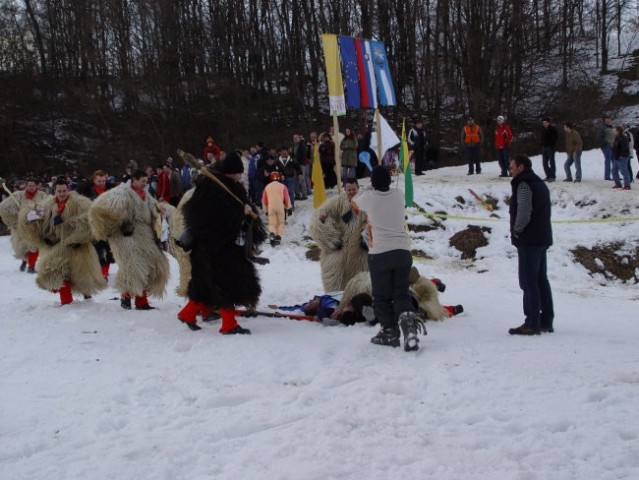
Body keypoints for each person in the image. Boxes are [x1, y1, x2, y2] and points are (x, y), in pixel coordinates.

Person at [178, 152, 267, 334]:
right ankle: (229, 324)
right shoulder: (210, 188)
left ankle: (187, 313)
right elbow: (211, 218)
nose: (240, 175)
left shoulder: (233, 187)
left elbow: (242, 208)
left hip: (226, 245)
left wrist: (249, 215)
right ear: (230, 171)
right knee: (226, 283)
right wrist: (240, 213)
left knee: (208, 283)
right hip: (215, 246)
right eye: (238, 172)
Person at [351, 166, 425, 351]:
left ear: (373, 182)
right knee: (401, 293)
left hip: (380, 254)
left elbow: (354, 202)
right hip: (402, 252)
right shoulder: (398, 195)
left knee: (382, 296)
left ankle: (389, 331)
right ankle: (410, 329)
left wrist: (368, 188)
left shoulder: (368, 198)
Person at [89, 169, 170, 310]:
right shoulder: (121, 193)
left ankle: (139, 300)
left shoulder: (146, 194)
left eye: (146, 181)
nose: (146, 184)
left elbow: (153, 209)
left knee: (149, 266)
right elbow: (103, 209)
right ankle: (130, 298)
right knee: (133, 266)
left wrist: (159, 211)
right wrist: (121, 223)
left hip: (144, 235)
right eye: (143, 181)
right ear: (135, 180)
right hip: (124, 237)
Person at [18, 179, 106, 305]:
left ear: (68, 189)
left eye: (64, 190)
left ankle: (88, 298)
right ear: (55, 191)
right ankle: (66, 301)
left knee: (82, 276)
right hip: (57, 246)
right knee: (57, 272)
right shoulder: (47, 205)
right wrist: (30, 217)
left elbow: (91, 217)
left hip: (77, 247)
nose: (62, 193)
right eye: (59, 191)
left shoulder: (80, 202)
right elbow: (37, 218)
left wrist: (77, 225)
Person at [508, 154, 554, 335]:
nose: (510, 170)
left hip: (529, 240)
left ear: (521, 167)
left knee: (528, 282)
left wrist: (517, 231)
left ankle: (532, 322)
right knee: (541, 280)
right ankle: (546, 320)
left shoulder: (524, 184)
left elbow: (524, 211)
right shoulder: (539, 183)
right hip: (541, 238)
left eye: (512, 167)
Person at [309, 177, 368, 292]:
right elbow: (318, 218)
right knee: (336, 288)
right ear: (344, 189)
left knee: (359, 286)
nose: (351, 192)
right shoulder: (336, 202)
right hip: (339, 256)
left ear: (358, 188)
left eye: (353, 189)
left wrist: (366, 237)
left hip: (359, 254)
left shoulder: (365, 203)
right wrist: (331, 237)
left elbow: (373, 222)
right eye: (348, 190)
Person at [0, 178, 49, 273]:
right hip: (22, 227)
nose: (31, 187)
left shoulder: (42, 195)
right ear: (26, 186)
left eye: (33, 185)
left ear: (36, 186)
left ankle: (30, 266)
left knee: (35, 246)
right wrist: (17, 214)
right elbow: (4, 207)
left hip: (36, 226)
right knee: (25, 247)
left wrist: (34, 214)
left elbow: (46, 207)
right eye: (29, 185)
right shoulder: (18, 195)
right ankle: (26, 263)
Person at [76, 170, 115, 280]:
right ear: (94, 180)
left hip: (108, 223)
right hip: (93, 223)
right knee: (97, 248)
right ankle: (101, 272)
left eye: (103, 180)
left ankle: (104, 271)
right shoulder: (87, 189)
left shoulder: (111, 189)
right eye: (99, 181)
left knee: (109, 249)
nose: (102, 183)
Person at [262, 171, 292, 246]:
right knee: (280, 223)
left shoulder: (267, 187)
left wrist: (265, 210)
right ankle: (278, 237)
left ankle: (272, 233)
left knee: (272, 223)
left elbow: (264, 200)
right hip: (280, 207)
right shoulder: (283, 186)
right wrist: (289, 208)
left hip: (271, 207)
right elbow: (287, 198)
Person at [611, 126, 632, 190]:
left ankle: (627, 185)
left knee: (624, 171)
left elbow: (625, 147)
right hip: (616, 157)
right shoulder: (616, 138)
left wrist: (622, 155)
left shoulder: (623, 138)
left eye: (614, 131)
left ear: (618, 131)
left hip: (623, 157)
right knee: (614, 171)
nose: (613, 132)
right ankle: (618, 184)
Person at [595, 116, 615, 180]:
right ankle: (607, 176)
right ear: (604, 121)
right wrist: (606, 143)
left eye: (609, 119)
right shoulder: (602, 127)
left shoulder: (611, 127)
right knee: (608, 160)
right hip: (606, 146)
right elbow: (598, 137)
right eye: (607, 120)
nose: (608, 121)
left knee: (614, 160)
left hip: (612, 146)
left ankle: (615, 176)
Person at [541, 117, 559, 182]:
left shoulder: (552, 129)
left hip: (550, 147)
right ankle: (548, 175)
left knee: (552, 162)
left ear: (549, 123)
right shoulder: (543, 129)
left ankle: (552, 176)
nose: (544, 124)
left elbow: (556, 136)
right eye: (543, 123)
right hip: (544, 147)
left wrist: (551, 143)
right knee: (544, 163)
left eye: (545, 123)